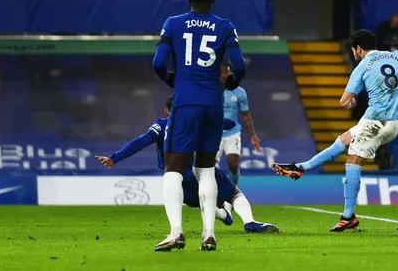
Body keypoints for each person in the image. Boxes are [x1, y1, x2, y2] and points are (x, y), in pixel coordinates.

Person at [272, 30, 398, 231]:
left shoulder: (362, 66)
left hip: (376, 120)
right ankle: (301, 167)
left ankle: (348, 217)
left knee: (353, 161)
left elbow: (344, 102)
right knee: (344, 140)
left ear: (358, 49)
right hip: (396, 121)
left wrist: (353, 102)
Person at [152, 0, 246, 251]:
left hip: (185, 102)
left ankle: (176, 233)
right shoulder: (225, 25)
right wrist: (234, 81)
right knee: (205, 170)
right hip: (213, 103)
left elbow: (158, 63)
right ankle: (208, 235)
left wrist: (173, 80)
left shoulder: (173, 23)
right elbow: (239, 65)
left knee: (173, 171)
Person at [95, 97, 278, 234]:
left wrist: (114, 158)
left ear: (167, 112)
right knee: (233, 194)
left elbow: (140, 142)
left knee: (201, 202)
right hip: (201, 171)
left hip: (177, 180)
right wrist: (211, 118)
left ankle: (223, 216)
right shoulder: (195, 121)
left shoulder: (161, 125)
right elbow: (230, 124)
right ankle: (249, 222)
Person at [217, 63, 261, 185]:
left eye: (225, 74)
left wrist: (252, 135)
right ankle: (215, 193)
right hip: (214, 134)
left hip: (232, 133)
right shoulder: (211, 91)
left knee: (233, 164)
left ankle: (233, 188)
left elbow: (245, 115)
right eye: (221, 74)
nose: (223, 76)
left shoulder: (239, 92)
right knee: (211, 167)